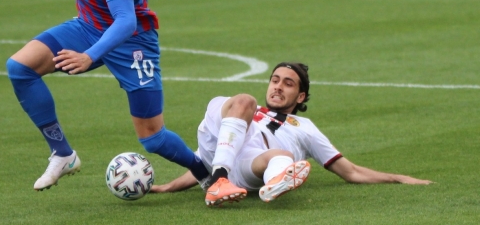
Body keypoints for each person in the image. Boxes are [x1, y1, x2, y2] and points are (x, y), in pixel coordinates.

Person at [6, 0, 210, 192]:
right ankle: (63, 154)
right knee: (20, 68)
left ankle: (205, 173)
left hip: (132, 40)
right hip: (88, 26)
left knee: (152, 138)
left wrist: (89, 56)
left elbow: (126, 20)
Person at [151, 62, 432, 206]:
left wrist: (398, 177)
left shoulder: (305, 128)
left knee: (280, 155)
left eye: (287, 84)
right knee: (241, 102)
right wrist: (167, 187)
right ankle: (219, 181)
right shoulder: (247, 111)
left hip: (251, 166)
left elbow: (351, 172)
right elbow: (204, 157)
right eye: (275, 80)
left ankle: (275, 181)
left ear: (300, 96)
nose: (277, 86)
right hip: (222, 150)